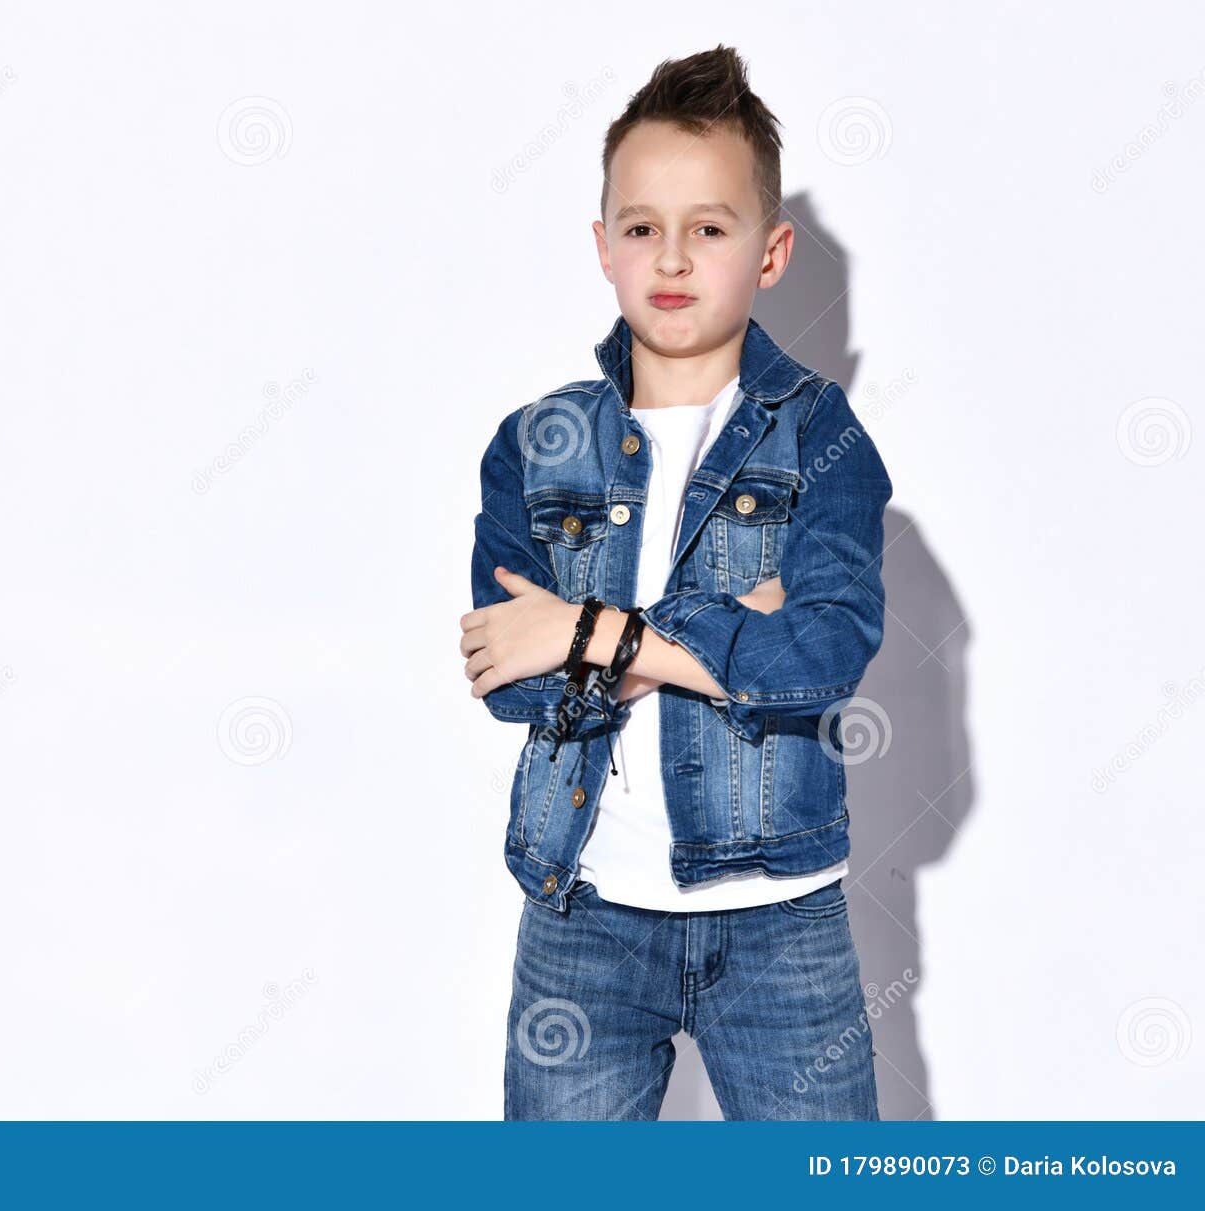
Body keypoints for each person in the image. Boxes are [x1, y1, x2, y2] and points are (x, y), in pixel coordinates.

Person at [459, 45, 892, 1121]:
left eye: (710, 227)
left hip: (779, 918)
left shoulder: (818, 434)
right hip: (581, 912)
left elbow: (825, 654)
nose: (673, 257)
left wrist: (588, 629)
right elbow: (507, 676)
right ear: (603, 245)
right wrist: (725, 641)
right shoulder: (535, 443)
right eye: (643, 226)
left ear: (770, 251)